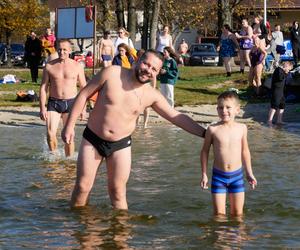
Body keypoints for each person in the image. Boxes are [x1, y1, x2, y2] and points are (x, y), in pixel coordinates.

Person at [61, 49, 206, 209]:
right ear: (137, 60)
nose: (148, 70)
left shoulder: (152, 95)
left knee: (117, 192)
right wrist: (69, 126)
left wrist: (206, 134)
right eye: (146, 64)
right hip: (93, 139)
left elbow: (176, 117)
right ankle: (77, 227)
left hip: (120, 145)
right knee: (82, 187)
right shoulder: (112, 73)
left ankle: (121, 231)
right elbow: (83, 94)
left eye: (154, 69)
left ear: (157, 73)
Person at [200, 91, 257, 217]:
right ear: (217, 109)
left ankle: (237, 237)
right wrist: (204, 174)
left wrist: (249, 173)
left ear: (237, 110)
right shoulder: (212, 129)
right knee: (219, 215)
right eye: (220, 108)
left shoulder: (242, 128)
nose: (224, 111)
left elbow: (245, 151)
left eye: (228, 107)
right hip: (218, 177)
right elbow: (204, 151)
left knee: (238, 215)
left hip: (237, 176)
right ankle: (220, 237)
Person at [39, 39, 87, 157]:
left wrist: (83, 109)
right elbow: (43, 88)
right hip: (54, 103)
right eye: (59, 49)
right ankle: (54, 158)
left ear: (70, 50)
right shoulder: (49, 66)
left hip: (71, 103)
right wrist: (42, 108)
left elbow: (84, 89)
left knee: (68, 137)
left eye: (64, 49)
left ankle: (68, 161)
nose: (62, 52)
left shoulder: (77, 66)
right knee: (50, 134)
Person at [267, 61, 293, 126]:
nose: (289, 70)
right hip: (276, 91)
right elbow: (280, 78)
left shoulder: (283, 71)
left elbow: (287, 80)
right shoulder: (278, 70)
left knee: (282, 105)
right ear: (286, 66)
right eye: (289, 69)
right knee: (274, 105)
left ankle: (279, 120)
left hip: (282, 91)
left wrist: (287, 73)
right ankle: (269, 121)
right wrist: (286, 73)